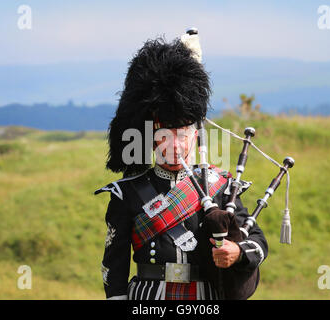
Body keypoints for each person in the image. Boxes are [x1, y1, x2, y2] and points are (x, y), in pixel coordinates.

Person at [95, 34, 268, 300]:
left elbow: (257, 241)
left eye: (182, 134)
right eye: (165, 135)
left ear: (195, 135)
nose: (175, 145)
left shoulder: (220, 186)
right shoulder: (126, 194)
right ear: (151, 138)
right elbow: (114, 267)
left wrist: (237, 252)